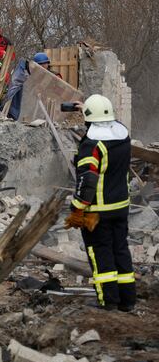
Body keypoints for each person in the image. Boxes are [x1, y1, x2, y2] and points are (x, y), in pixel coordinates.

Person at [65, 94, 135, 312]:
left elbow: (87, 182)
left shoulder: (92, 144)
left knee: (100, 253)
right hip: (121, 207)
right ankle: (127, 300)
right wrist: (89, 108)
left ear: (89, 118)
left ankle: (108, 300)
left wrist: (77, 208)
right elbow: (109, 120)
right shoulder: (122, 137)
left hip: (97, 212)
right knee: (120, 250)